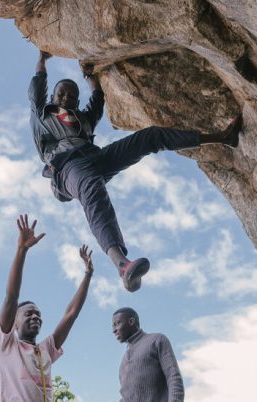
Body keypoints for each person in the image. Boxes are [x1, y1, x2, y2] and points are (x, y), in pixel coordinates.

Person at [29, 50, 243, 292]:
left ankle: (223, 137)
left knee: (150, 136)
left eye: (71, 94)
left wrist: (90, 76)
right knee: (93, 191)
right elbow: (38, 87)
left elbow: (97, 99)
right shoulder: (42, 114)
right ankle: (122, 265)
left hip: (95, 158)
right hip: (67, 168)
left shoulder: (84, 120)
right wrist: (42, 60)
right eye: (61, 93)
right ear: (54, 97)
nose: (66, 97)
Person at [0, 214, 93, 402]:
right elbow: (11, 296)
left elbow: (71, 314)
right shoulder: (6, 344)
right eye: (28, 313)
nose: (35, 317)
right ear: (14, 323)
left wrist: (88, 274)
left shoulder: (45, 349)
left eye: (38, 314)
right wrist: (22, 250)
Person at [112, 307, 184, 402]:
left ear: (131, 322)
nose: (114, 330)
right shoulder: (123, 363)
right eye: (113, 326)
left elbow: (174, 377)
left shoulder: (157, 340)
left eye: (117, 324)